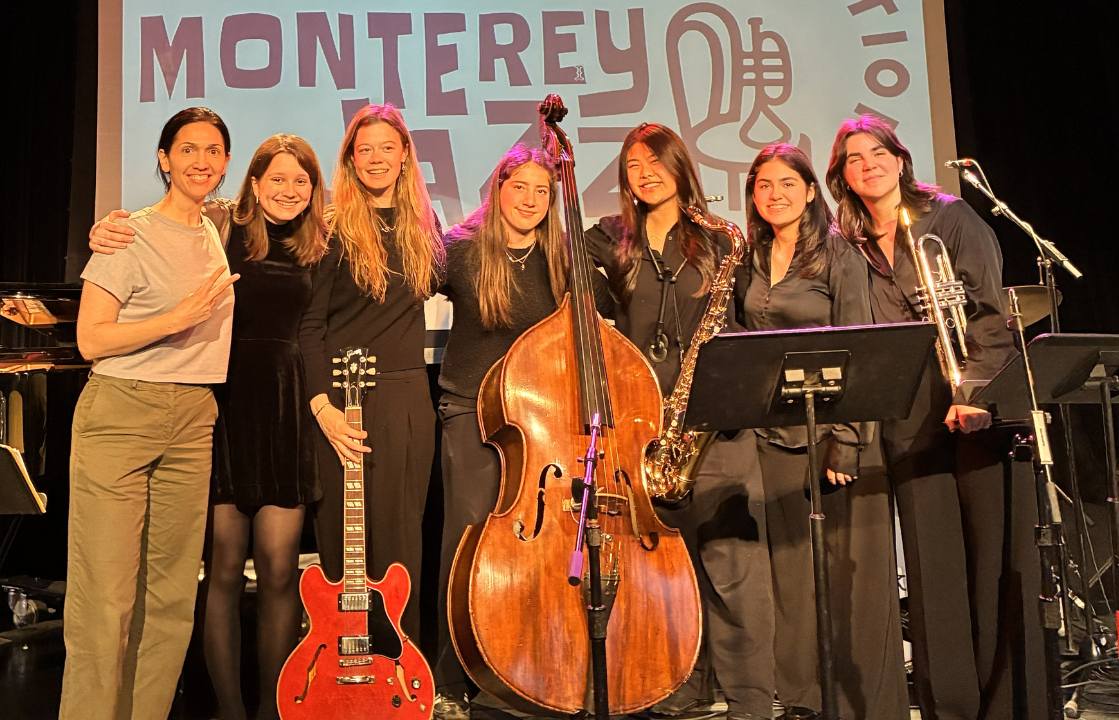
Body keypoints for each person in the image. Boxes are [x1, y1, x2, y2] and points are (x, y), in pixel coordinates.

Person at [87, 134, 330, 720]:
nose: (288, 190)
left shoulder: (322, 243)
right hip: (219, 404)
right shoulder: (220, 227)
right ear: (252, 181)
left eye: (301, 181)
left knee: (278, 570)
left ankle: (273, 708)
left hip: (284, 408)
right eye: (277, 179)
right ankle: (228, 708)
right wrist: (104, 229)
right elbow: (153, 232)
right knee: (222, 568)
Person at [826, 114, 1047, 719]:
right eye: (853, 158)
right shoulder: (849, 244)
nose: (867, 164)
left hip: (973, 393)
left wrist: (973, 390)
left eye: (877, 153)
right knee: (932, 563)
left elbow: (990, 314)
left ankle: (1008, 704)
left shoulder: (950, 218)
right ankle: (950, 707)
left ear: (900, 159)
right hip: (905, 409)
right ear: (840, 176)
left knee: (993, 553)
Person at [61, 106, 239, 720]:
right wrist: (178, 317)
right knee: (103, 599)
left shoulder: (217, 228)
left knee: (169, 600)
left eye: (214, 151)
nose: (201, 161)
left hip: (194, 417)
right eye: (188, 149)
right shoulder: (127, 233)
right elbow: (91, 339)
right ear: (164, 158)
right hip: (121, 409)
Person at [584, 123, 763, 720]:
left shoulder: (717, 241)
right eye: (632, 164)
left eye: (655, 161)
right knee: (666, 577)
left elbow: (740, 323)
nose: (644, 173)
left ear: (680, 167)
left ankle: (749, 701)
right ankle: (680, 684)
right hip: (643, 428)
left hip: (713, 422)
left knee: (731, 574)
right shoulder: (612, 240)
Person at [740, 142, 908, 719]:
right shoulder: (753, 257)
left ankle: (871, 710)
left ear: (811, 191)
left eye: (787, 183)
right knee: (791, 586)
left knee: (852, 586)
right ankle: (806, 705)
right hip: (774, 441)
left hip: (838, 438)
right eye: (763, 185)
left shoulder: (839, 253)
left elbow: (861, 344)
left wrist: (850, 438)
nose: (775, 194)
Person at [431, 143, 572, 719]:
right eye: (521, 188)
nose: (531, 200)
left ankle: (525, 668)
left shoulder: (562, 258)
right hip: (470, 408)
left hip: (539, 418)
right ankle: (451, 675)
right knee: (468, 536)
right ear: (498, 188)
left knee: (532, 543)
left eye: (543, 191)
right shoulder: (460, 251)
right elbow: (394, 291)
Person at [299, 103, 444, 644]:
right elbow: (308, 328)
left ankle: (402, 675)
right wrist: (322, 409)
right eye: (365, 150)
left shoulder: (425, 229)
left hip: (408, 401)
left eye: (388, 147)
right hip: (342, 403)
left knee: (403, 545)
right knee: (346, 549)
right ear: (351, 160)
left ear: (406, 155)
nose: (376, 158)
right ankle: (343, 674)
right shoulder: (330, 231)